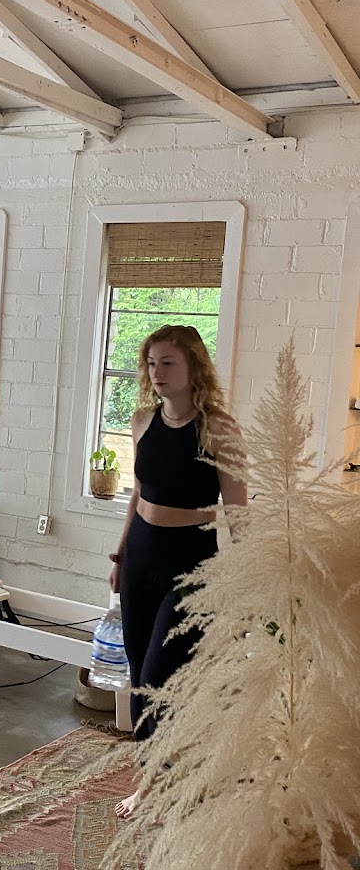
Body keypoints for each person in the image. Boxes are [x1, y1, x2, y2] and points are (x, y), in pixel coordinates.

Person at [108, 325, 246, 817]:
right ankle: (149, 779)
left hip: (191, 564)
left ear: (193, 367)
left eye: (168, 363)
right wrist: (120, 555)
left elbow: (239, 513)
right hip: (141, 557)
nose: (157, 373)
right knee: (137, 675)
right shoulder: (142, 421)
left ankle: (167, 779)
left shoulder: (219, 430)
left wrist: (247, 582)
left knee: (160, 675)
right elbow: (137, 493)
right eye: (151, 363)